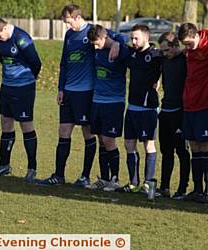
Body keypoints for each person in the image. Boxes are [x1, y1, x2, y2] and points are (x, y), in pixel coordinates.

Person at [39, 4, 123, 187]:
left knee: (88, 134)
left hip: (86, 93)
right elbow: (64, 63)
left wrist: (116, 43)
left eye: (69, 22)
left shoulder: (93, 31)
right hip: (69, 91)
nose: (67, 26)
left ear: (78, 18)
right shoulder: (69, 35)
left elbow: (118, 37)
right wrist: (61, 88)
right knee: (63, 132)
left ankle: (85, 176)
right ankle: (59, 175)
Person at [0, 17, 42, 183]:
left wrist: (28, 77)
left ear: (4, 29)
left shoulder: (21, 38)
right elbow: (1, 58)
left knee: (26, 125)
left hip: (24, 88)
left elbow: (36, 62)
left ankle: (32, 168)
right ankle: (4, 164)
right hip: (7, 87)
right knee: (6, 123)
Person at [115, 24, 162, 194]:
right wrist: (115, 44)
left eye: (136, 38)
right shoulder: (132, 54)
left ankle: (148, 183)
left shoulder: (156, 55)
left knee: (148, 144)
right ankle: (133, 183)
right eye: (132, 38)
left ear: (147, 38)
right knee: (129, 144)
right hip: (132, 108)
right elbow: (115, 39)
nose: (133, 41)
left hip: (148, 109)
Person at [84, 24, 131, 191]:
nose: (95, 47)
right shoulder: (97, 48)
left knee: (109, 140)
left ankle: (115, 179)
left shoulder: (120, 50)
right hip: (97, 100)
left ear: (105, 38)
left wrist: (119, 41)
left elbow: (126, 40)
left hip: (114, 101)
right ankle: (103, 178)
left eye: (97, 43)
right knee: (101, 140)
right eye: (93, 44)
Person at [177, 23, 208, 203]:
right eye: (184, 45)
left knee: (206, 146)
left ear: (196, 36)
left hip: (204, 104)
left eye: (189, 43)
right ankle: (197, 189)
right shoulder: (187, 51)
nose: (186, 48)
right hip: (189, 104)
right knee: (194, 146)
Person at [157, 31, 191, 200]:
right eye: (162, 51)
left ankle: (182, 188)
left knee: (182, 152)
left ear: (176, 46)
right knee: (166, 152)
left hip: (180, 112)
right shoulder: (163, 58)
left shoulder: (185, 59)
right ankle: (164, 187)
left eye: (166, 50)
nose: (164, 54)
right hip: (165, 112)